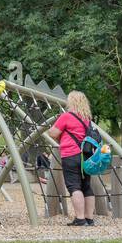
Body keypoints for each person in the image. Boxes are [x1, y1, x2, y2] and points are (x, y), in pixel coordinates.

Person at [47, 90, 97, 227]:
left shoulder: (66, 116)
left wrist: (53, 130)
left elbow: (53, 133)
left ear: (71, 102)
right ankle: (89, 218)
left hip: (70, 155)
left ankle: (80, 218)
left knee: (74, 186)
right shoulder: (87, 118)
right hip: (86, 156)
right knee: (86, 186)